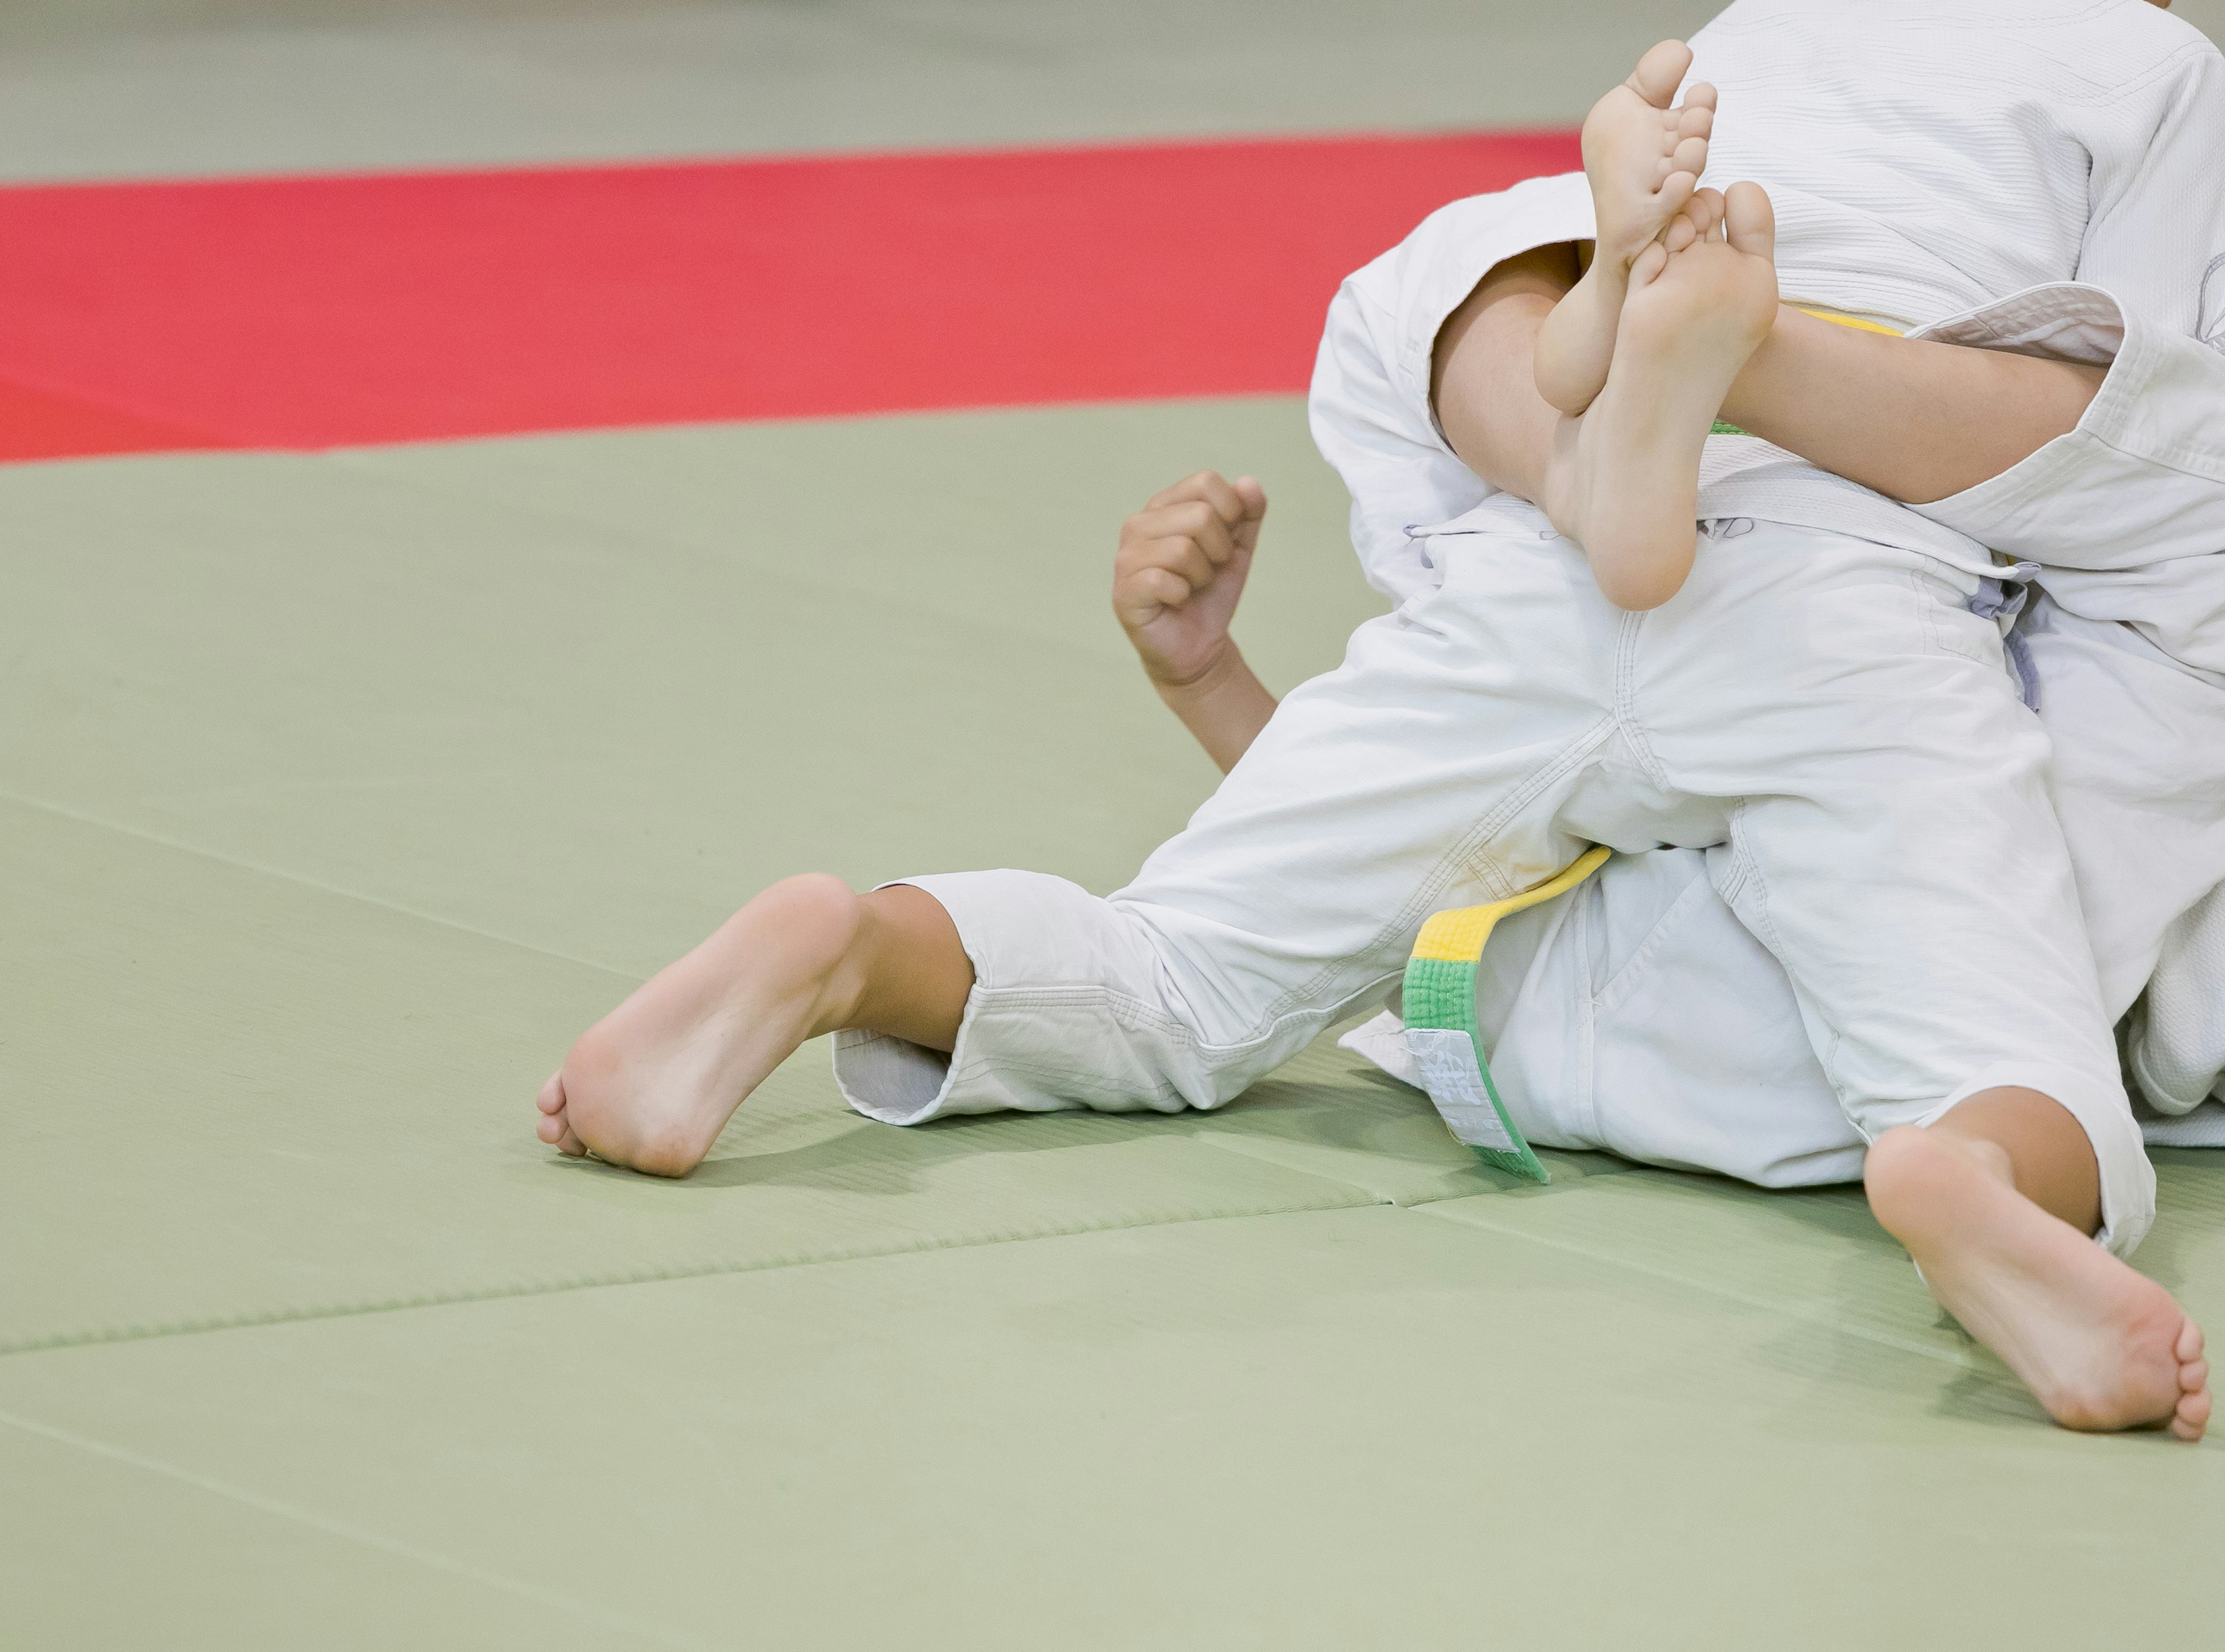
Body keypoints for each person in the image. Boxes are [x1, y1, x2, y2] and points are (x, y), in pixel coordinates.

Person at [539, 3, 2223, 1438]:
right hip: (1850, 586)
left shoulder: (1756, 32)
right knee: (1995, 1052)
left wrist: (1223, 680)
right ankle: (1973, 1192)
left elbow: (1411, 905)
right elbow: (2139, 411)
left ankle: (856, 946)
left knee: (1172, 971)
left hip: (1536, 571)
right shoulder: (2153, 71)